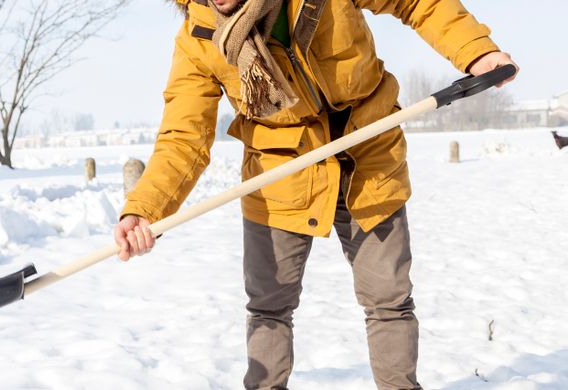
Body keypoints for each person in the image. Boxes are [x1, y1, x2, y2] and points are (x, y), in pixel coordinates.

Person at [113, 0, 519, 388]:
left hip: (368, 152)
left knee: (388, 300)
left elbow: (416, 3)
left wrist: (476, 51)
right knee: (269, 307)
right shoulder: (198, 37)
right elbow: (184, 137)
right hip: (279, 173)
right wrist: (145, 209)